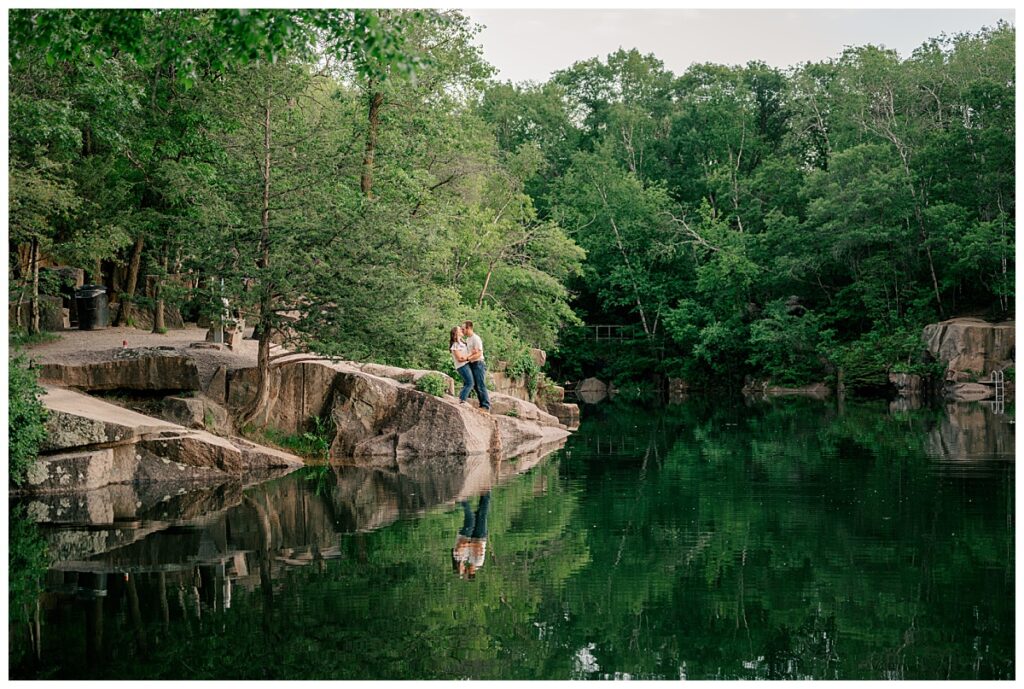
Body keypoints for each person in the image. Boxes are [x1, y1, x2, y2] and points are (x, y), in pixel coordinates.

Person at [451, 492, 490, 580]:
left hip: (470, 537)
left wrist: (469, 545)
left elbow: (462, 545)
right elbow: (479, 548)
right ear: (471, 572)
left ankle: (462, 497)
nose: (466, 570)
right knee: (482, 513)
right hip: (480, 537)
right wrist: (469, 545)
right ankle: (485, 492)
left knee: (473, 517)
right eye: (466, 571)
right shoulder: (477, 562)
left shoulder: (461, 557)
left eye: (464, 570)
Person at [462, 320, 491, 412]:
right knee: (474, 385)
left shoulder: (476, 338)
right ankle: (481, 404)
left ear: (469, 328)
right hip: (472, 363)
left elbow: (479, 354)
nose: (462, 331)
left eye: (463, 329)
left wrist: (468, 358)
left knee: (480, 385)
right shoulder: (468, 339)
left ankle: (485, 406)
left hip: (478, 364)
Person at [449, 325, 475, 404]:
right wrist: (470, 355)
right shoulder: (455, 345)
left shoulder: (463, 342)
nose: (462, 330)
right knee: (470, 383)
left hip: (466, 364)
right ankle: (462, 400)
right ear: (456, 333)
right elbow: (459, 359)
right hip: (462, 366)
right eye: (460, 330)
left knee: (467, 383)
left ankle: (463, 399)